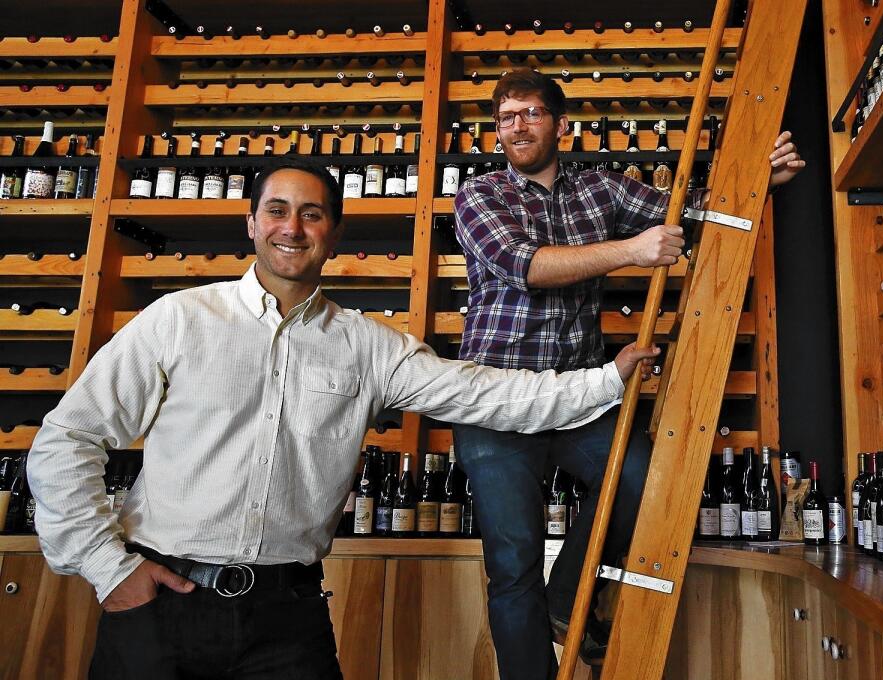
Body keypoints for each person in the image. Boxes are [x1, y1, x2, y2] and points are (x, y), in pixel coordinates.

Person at [25, 159, 660, 680]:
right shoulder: (179, 320)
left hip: (288, 619)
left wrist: (608, 378)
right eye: (277, 210)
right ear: (250, 222)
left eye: (311, 214)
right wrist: (109, 568)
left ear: (334, 231)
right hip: (161, 606)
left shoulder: (368, 346)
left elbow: (486, 394)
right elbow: (66, 438)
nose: (292, 228)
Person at [452, 68, 803, 679]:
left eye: (530, 113)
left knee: (646, 477)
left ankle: (567, 602)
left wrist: (759, 180)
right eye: (506, 118)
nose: (517, 126)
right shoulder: (481, 195)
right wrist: (633, 250)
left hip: (581, 396)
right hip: (497, 403)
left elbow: (695, 209)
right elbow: (523, 265)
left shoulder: (600, 189)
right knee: (512, 565)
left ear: (562, 126)